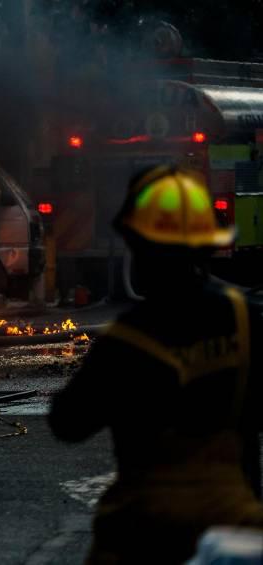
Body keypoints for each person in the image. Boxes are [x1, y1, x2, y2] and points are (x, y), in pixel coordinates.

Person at [49, 165, 263, 564]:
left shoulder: (128, 340)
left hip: (143, 532)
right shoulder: (249, 320)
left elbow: (68, 422)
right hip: (237, 528)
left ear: (138, 244)